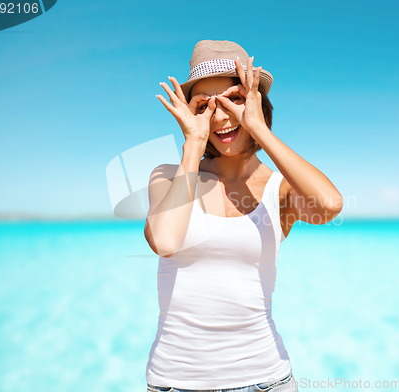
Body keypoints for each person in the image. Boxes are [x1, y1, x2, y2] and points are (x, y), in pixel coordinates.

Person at [144, 40, 343, 392]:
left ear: (256, 104)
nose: (220, 116)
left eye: (234, 99)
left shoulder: (278, 189)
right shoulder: (167, 176)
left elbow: (329, 205)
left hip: (265, 379)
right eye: (204, 105)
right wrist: (193, 142)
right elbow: (166, 241)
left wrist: (260, 130)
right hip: (176, 381)